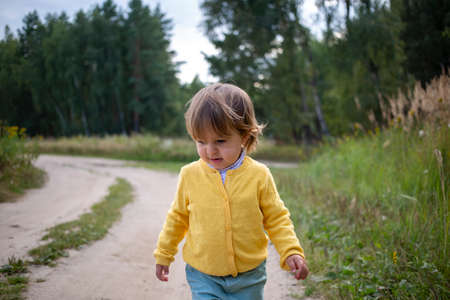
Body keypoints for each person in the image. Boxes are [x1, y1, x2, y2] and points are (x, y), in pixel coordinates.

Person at [154, 83, 308, 299]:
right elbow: (177, 218)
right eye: (201, 141)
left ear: (244, 136)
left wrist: (290, 250)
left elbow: (276, 218)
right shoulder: (190, 175)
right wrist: (164, 253)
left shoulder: (259, 175)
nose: (210, 150)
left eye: (220, 140)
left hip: (249, 276)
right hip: (203, 274)